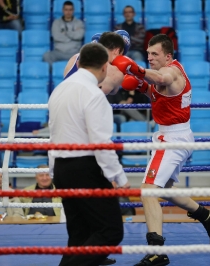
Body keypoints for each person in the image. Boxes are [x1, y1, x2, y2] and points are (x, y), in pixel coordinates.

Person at [112, 34, 210, 266]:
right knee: (165, 187)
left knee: (148, 190)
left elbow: (162, 78)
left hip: (172, 138)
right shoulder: (165, 76)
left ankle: (157, 251)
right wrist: (143, 87)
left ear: (168, 56)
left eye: (155, 54)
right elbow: (159, 94)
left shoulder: (172, 71)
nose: (150, 57)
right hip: (172, 135)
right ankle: (207, 215)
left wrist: (137, 71)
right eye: (148, 54)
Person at [48, 42, 130, 266]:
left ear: (79, 62)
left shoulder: (59, 90)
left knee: (79, 235)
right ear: (105, 67)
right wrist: (119, 178)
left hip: (62, 168)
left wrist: (53, 169)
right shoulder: (93, 94)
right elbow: (101, 142)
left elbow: (53, 134)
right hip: (85, 168)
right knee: (110, 231)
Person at [63, 30, 130, 96]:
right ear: (117, 51)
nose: (121, 57)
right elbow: (113, 91)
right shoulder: (114, 73)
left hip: (60, 100)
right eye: (122, 54)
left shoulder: (75, 58)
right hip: (84, 103)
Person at [43, 1, 85, 66]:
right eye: (66, 10)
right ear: (63, 10)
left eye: (70, 10)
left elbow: (79, 36)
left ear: (73, 10)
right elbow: (56, 37)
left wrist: (65, 33)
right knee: (47, 56)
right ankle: (54, 73)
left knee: (86, 57)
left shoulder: (79, 23)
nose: (68, 12)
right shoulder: (56, 23)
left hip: (74, 53)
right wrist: (72, 37)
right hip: (59, 52)